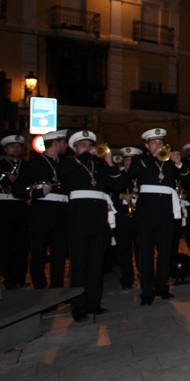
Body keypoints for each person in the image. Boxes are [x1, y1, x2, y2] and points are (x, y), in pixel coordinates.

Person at [58, 130, 125, 321]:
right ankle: (78, 307)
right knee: (79, 265)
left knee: (97, 264)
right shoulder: (70, 166)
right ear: (74, 148)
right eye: (83, 145)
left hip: (98, 222)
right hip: (78, 222)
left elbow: (118, 185)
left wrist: (111, 162)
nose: (87, 149)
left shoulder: (100, 168)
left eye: (90, 145)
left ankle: (94, 303)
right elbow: (61, 173)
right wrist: (85, 156)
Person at [125, 128, 190, 306]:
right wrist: (152, 156)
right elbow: (132, 173)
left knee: (165, 251)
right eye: (154, 142)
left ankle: (162, 286)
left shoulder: (169, 160)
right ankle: (146, 291)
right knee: (146, 252)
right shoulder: (141, 159)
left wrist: (178, 164)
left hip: (166, 212)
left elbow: (189, 178)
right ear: (147, 145)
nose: (158, 145)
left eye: (161, 143)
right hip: (147, 211)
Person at [16, 130, 69, 288]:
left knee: (59, 253)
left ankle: (57, 286)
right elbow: (17, 188)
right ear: (55, 143)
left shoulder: (65, 164)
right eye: (64, 142)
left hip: (61, 212)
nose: (66, 145)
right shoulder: (34, 164)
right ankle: (39, 286)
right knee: (39, 251)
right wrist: (37, 192)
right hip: (42, 212)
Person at [0, 135, 30, 289]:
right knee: (6, 244)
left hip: (21, 207)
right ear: (5, 149)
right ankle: (9, 277)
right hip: (3, 207)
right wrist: (5, 181)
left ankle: (20, 276)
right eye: (12, 146)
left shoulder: (26, 166)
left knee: (22, 244)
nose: (16, 149)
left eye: (18, 146)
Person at [114, 147, 142, 289]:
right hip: (123, 215)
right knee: (124, 248)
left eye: (131, 160)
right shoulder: (118, 175)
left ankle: (143, 273)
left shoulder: (142, 175)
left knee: (141, 247)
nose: (128, 162)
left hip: (140, 215)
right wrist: (121, 196)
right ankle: (126, 277)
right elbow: (110, 192)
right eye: (126, 159)